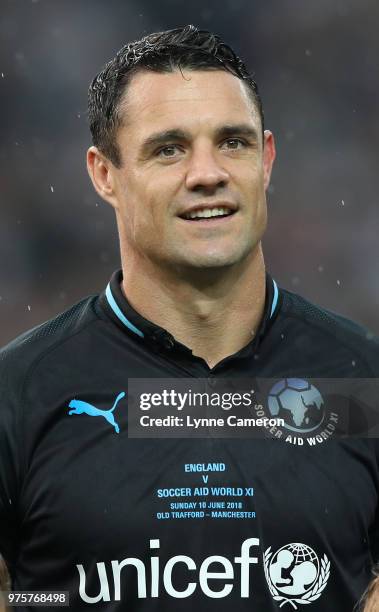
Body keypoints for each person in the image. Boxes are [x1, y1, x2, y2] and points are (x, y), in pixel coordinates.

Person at [1, 24, 379, 611]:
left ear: (267, 158)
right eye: (168, 148)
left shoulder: (363, 383)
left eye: (233, 142)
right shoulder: (18, 395)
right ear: (105, 174)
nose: (207, 173)